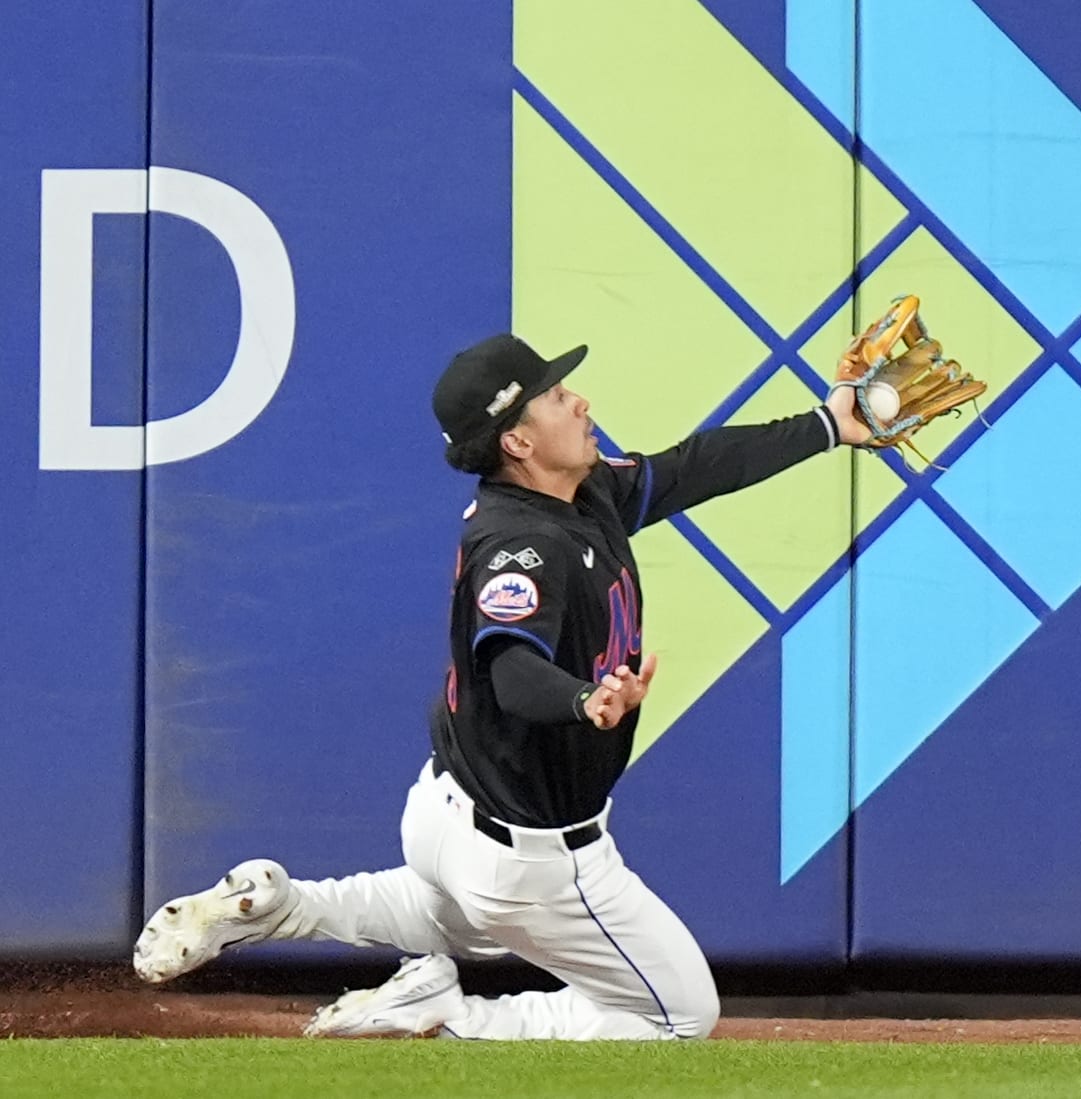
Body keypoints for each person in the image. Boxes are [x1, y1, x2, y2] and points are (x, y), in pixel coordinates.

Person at [133, 333, 872, 1038]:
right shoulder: (522, 544)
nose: (578, 400)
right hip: (531, 856)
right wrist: (582, 700)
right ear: (516, 441)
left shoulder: (581, 496)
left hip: (447, 813)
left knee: (463, 921)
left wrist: (826, 423)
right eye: (553, 396)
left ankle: (280, 907)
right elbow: (512, 670)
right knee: (678, 1015)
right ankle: (451, 1019)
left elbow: (694, 465)